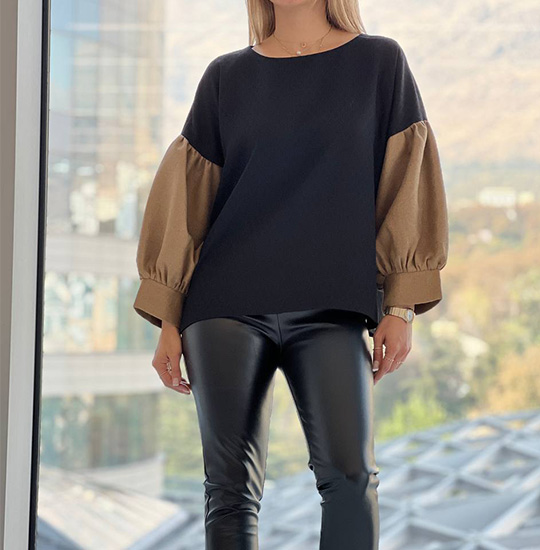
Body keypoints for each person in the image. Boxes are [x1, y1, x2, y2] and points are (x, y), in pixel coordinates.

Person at [133, 0, 449, 548]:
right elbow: (188, 200)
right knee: (229, 491)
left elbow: (406, 181)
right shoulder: (225, 77)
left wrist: (400, 305)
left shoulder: (380, 63)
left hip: (333, 304)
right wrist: (168, 317)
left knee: (351, 478)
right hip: (223, 304)